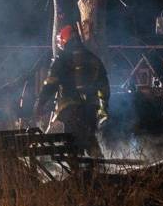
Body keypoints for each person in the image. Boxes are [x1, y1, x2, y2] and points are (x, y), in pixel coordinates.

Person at [33, 25, 110, 156]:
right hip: (91, 110)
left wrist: (40, 103)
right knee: (90, 140)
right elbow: (104, 88)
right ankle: (99, 170)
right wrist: (103, 111)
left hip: (70, 109)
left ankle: (78, 174)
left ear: (63, 40)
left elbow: (51, 83)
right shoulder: (94, 59)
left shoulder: (62, 59)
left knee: (73, 148)